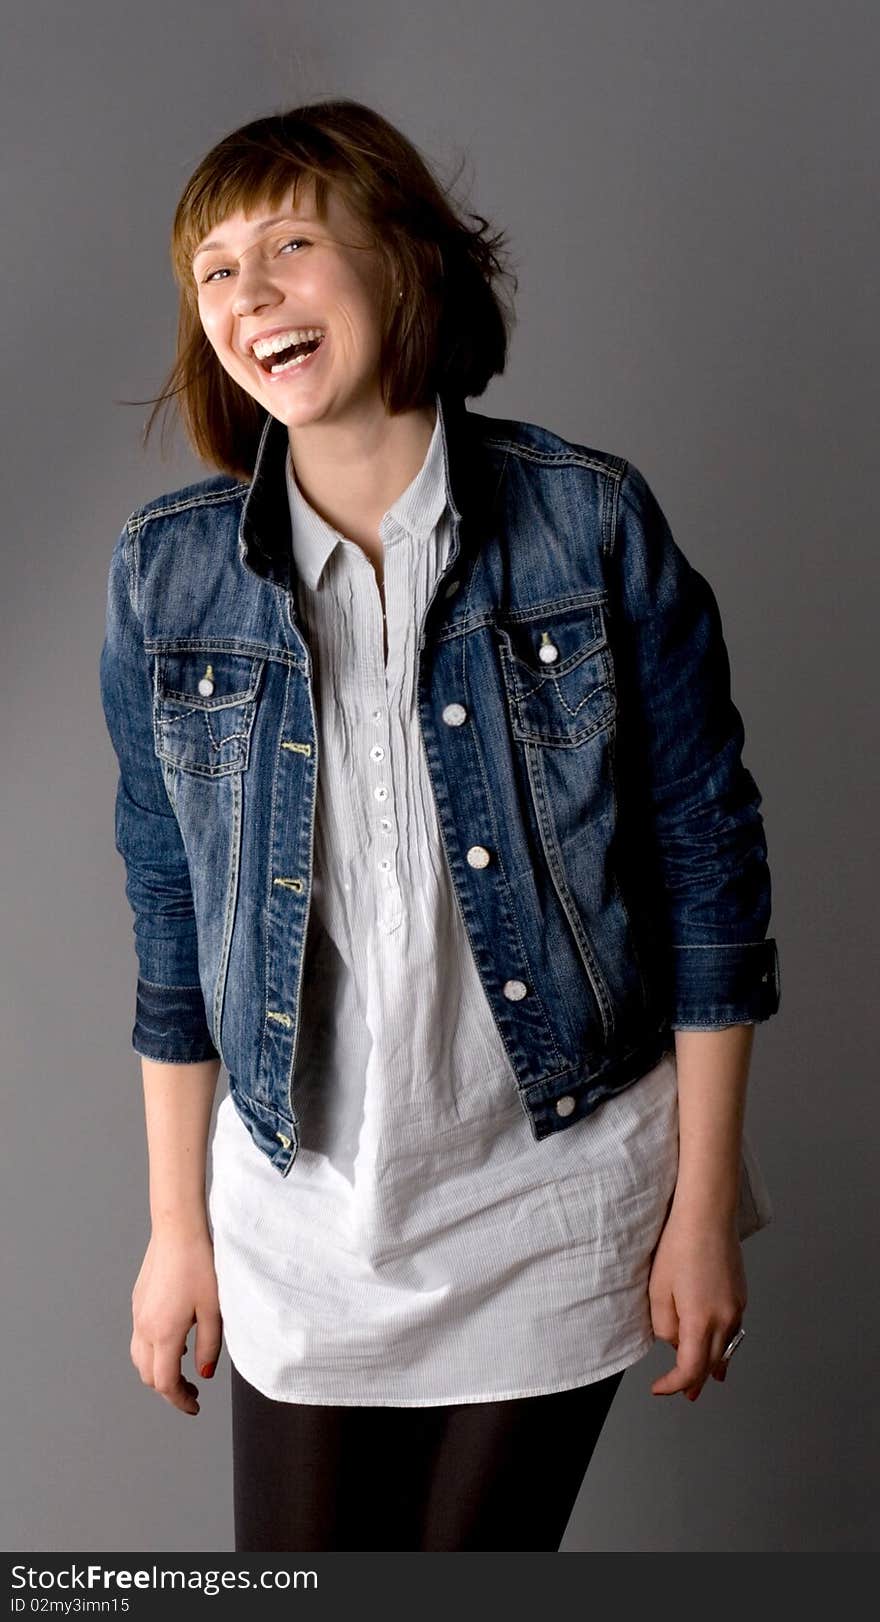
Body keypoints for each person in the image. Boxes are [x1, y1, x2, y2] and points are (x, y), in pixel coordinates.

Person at [98, 98, 781, 1552]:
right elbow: (170, 916)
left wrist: (705, 1206)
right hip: (304, 1211)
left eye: (290, 244)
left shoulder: (586, 523)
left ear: (402, 264)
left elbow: (713, 874)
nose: (247, 295)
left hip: (559, 1183)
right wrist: (177, 1229)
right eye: (214, 269)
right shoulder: (167, 580)